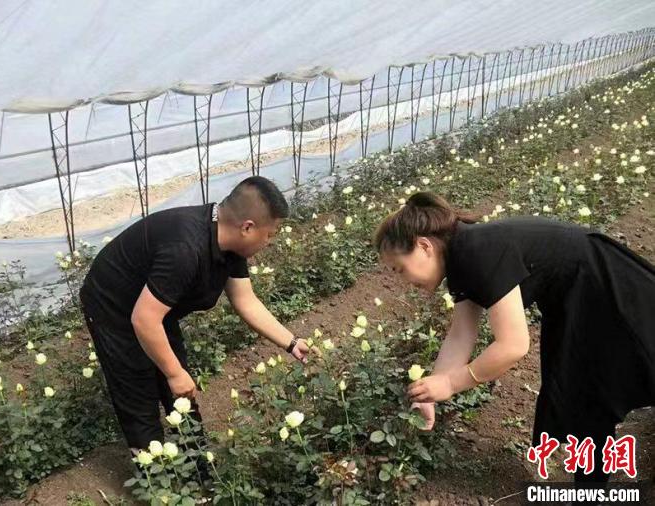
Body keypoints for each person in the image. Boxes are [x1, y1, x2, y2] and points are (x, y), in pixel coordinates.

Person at [374, 191, 655, 486]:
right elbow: (461, 334)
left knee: (640, 364)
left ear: (423, 246)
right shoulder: (461, 256)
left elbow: (514, 345)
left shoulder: (475, 251)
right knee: (582, 396)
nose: (404, 282)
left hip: (606, 287)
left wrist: (451, 382)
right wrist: (431, 393)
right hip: (576, 301)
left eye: (400, 269)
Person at [79, 176, 312, 457]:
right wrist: (174, 373)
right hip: (114, 304)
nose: (269, 241)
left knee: (178, 385)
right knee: (138, 387)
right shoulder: (185, 249)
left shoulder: (229, 244)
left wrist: (291, 342)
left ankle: (199, 467)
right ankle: (153, 478)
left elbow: (245, 300)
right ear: (247, 227)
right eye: (270, 234)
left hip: (153, 307)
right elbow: (144, 319)